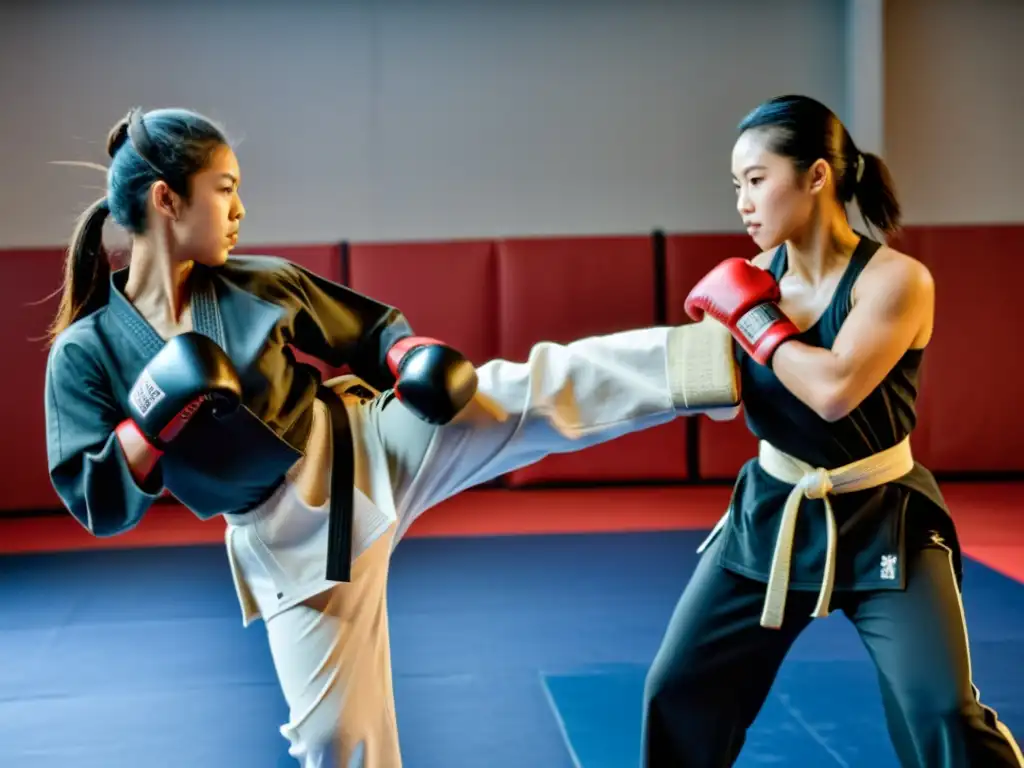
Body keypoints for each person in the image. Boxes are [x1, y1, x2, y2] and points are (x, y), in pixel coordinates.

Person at [43, 107, 742, 768]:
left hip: (364, 445)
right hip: (284, 539)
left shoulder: (261, 281)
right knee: (336, 737)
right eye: (224, 190)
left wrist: (414, 360)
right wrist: (152, 420)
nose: (239, 211)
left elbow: (374, 333)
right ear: (167, 201)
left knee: (527, 391)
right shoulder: (87, 350)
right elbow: (98, 502)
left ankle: (720, 358)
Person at [639, 94, 1024, 768]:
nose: (742, 203)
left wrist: (751, 323)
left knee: (940, 711)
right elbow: (721, 403)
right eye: (736, 187)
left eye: (757, 181)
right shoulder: (752, 280)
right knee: (676, 690)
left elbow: (835, 391)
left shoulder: (898, 281)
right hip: (772, 512)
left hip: (884, 517)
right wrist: (701, 348)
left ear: (817, 176)